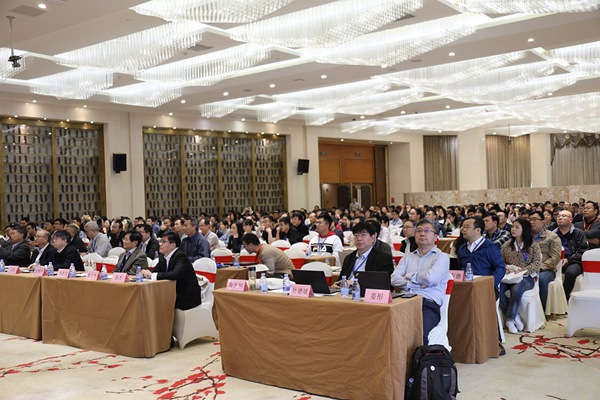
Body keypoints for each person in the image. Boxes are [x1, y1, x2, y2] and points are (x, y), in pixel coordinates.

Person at [391, 219, 450, 345]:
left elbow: (430, 278)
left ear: (436, 236)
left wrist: (409, 276)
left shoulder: (442, 257)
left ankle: (418, 358)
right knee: (387, 329)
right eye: (419, 231)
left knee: (419, 335)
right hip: (403, 301)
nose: (422, 234)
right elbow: (394, 279)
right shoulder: (407, 257)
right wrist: (413, 284)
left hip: (427, 304)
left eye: (427, 231)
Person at [499, 218, 541, 334]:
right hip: (509, 277)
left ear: (524, 230)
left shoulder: (533, 245)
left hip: (527, 277)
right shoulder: (507, 245)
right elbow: (501, 262)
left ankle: (510, 320)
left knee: (516, 289)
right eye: (512, 226)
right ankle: (514, 316)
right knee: (496, 289)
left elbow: (536, 264)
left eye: (517, 227)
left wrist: (522, 271)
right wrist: (507, 268)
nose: (513, 229)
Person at [142, 232, 201, 311]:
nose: (160, 244)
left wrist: (153, 275)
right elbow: (155, 271)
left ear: (173, 245)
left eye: (163, 242)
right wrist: (146, 273)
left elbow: (174, 275)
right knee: (149, 298)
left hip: (185, 295)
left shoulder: (180, 256)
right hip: (171, 291)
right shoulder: (163, 257)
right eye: (160, 241)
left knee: (156, 300)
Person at [332, 221, 394, 288]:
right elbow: (341, 279)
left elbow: (383, 284)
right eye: (356, 235)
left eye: (363, 235)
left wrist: (355, 283)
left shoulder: (383, 258)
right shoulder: (349, 258)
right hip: (345, 291)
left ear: (373, 238)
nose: (359, 239)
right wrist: (337, 285)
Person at [457, 216, 505, 295]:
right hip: (466, 287)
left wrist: (492, 283)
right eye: (463, 227)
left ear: (478, 230)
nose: (463, 230)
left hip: (485, 287)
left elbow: (500, 268)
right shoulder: (462, 248)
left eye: (467, 227)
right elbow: (459, 267)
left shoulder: (490, 247)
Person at [529, 211, 562, 310]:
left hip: (546, 269)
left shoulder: (552, 237)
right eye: (530, 220)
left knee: (542, 280)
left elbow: (555, 257)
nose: (531, 222)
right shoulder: (525, 236)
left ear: (543, 222)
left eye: (535, 219)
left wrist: (540, 267)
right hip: (528, 268)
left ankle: (541, 310)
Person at [553, 210, 589, 300]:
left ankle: (563, 298)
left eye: (564, 216)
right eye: (558, 216)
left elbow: (582, 251)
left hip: (573, 261)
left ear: (571, 219)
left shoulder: (578, 233)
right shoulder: (552, 233)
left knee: (571, 273)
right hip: (555, 261)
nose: (560, 218)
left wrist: (569, 260)